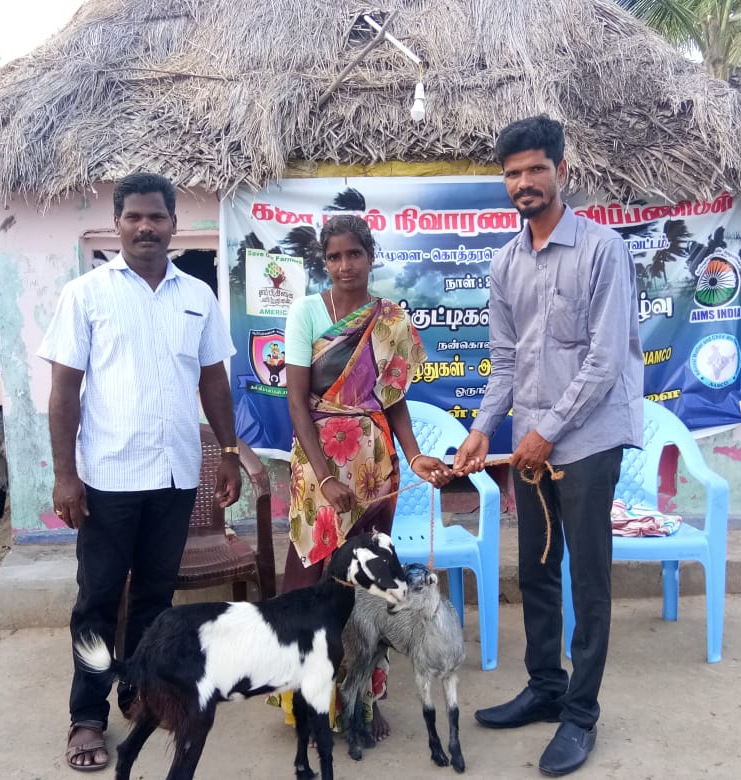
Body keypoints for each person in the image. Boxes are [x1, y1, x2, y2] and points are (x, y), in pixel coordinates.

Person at [454, 116, 643, 777]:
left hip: (586, 442)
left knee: (588, 580)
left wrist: (544, 433)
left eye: (536, 168)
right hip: (532, 447)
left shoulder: (602, 250)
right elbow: (505, 360)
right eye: (512, 173)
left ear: (561, 171)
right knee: (536, 569)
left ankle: (581, 715)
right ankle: (545, 688)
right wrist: (483, 428)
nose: (524, 182)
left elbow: (605, 362)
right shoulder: (505, 262)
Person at [38, 172, 241, 772]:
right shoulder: (86, 294)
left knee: (155, 597)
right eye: (134, 217)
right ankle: (86, 716)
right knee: (98, 600)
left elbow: (214, 382)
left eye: (156, 217)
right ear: (117, 224)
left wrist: (230, 454)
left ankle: (141, 692)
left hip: (176, 476)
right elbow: (63, 392)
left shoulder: (197, 296)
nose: (145, 227)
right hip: (108, 479)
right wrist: (66, 475)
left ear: (174, 224)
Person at [280, 214, 453, 738]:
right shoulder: (306, 312)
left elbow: (392, 401)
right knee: (315, 578)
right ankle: (308, 701)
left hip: (375, 467)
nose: (344, 265)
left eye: (353, 254)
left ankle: (364, 698)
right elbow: (296, 401)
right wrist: (324, 477)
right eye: (334, 256)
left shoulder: (391, 320)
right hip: (319, 468)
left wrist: (415, 456)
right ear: (324, 262)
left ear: (370, 256)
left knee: (370, 585)